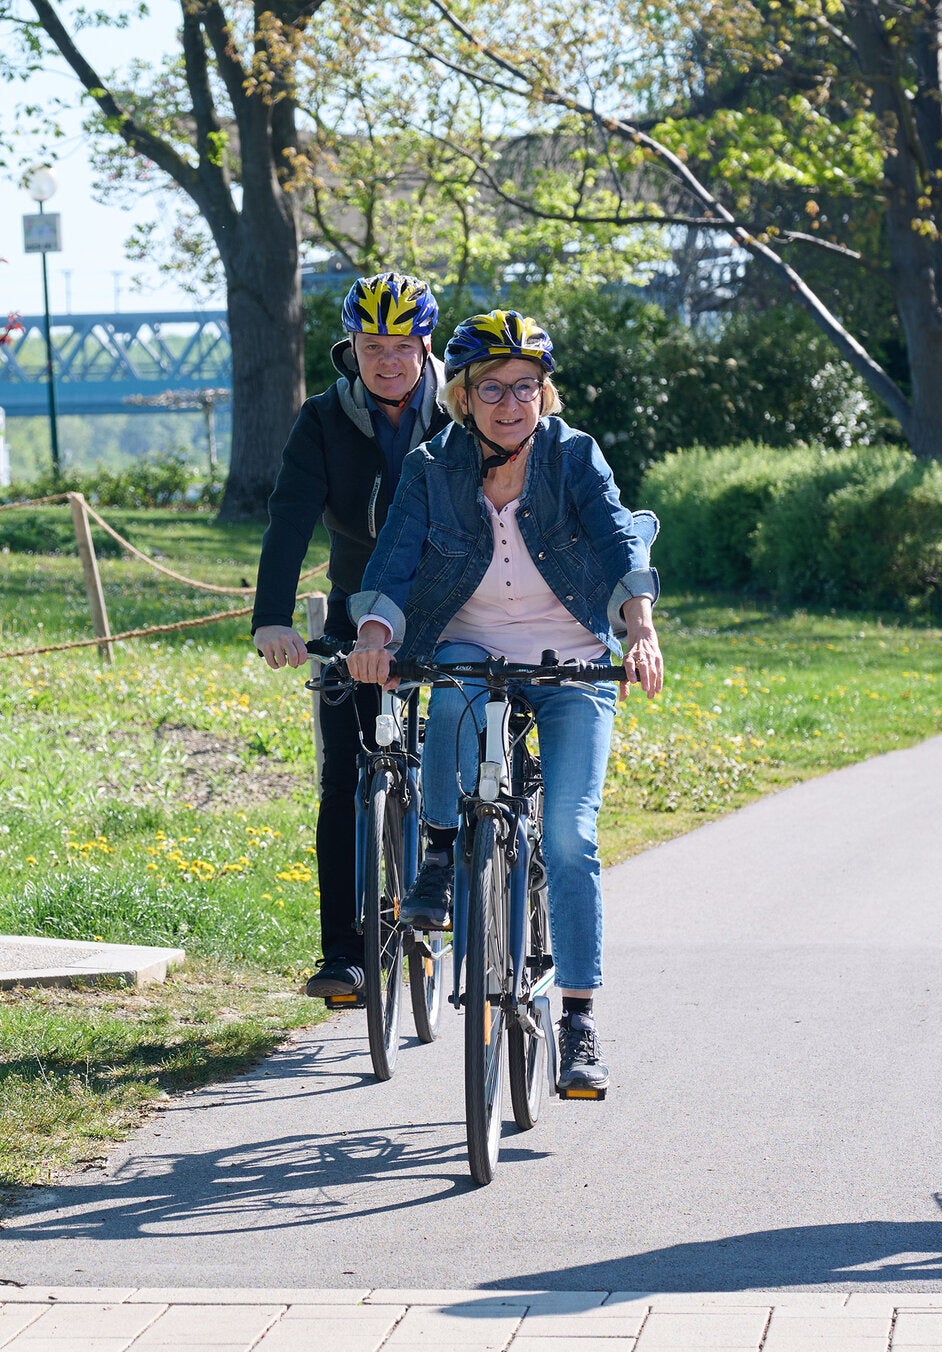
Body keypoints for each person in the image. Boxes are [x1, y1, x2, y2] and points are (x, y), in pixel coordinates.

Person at [345, 308, 664, 1095]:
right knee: (450, 695)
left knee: (568, 835)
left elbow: (622, 542)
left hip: (574, 658)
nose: (512, 403)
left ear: (543, 394)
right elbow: (392, 561)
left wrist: (641, 631)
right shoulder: (431, 467)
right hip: (471, 643)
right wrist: (377, 637)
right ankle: (446, 850)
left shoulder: (573, 455)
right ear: (462, 395)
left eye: (527, 387)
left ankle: (580, 1021)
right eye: (493, 388)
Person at [252, 271, 450, 998]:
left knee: (455, 749)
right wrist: (272, 614)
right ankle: (343, 954)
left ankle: (449, 873)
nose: (387, 360)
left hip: (451, 609)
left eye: (403, 345)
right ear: (353, 347)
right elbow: (290, 517)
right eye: (373, 345)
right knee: (346, 775)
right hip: (353, 609)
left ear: (428, 347)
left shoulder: (463, 412)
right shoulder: (324, 418)